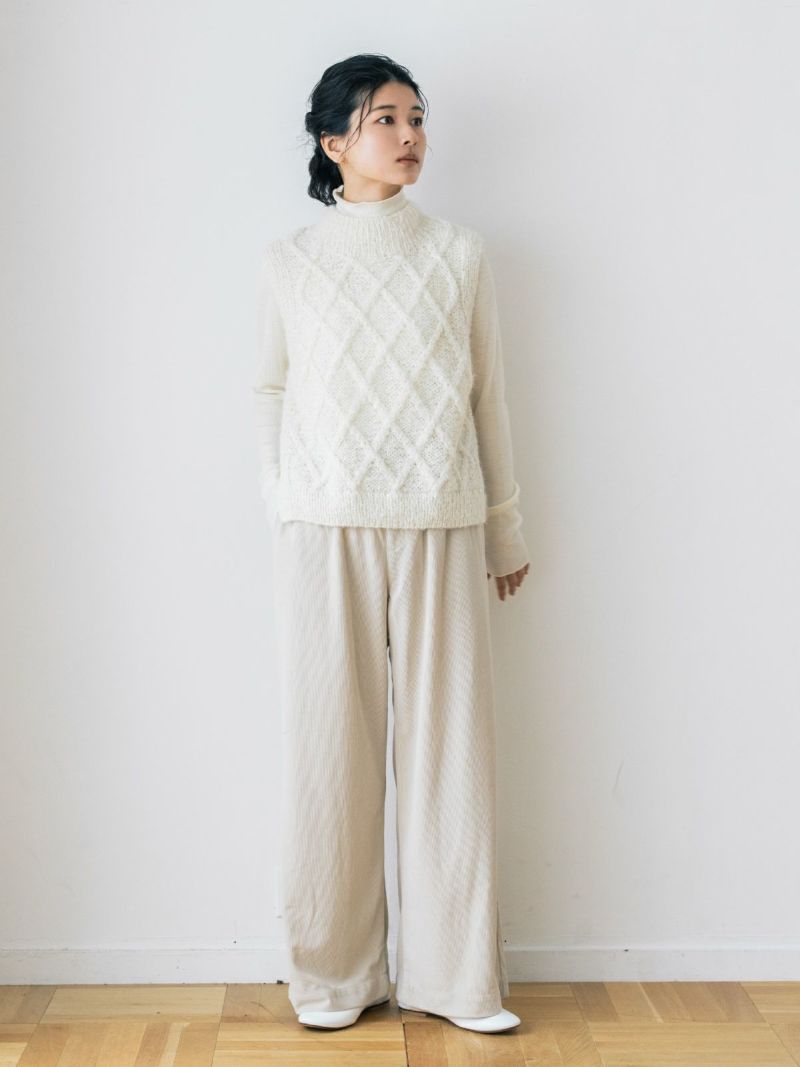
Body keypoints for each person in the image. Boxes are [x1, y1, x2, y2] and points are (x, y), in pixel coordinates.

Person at [252, 53, 530, 1034]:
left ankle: (456, 980)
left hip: (442, 520)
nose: (409, 135)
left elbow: (488, 395)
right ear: (335, 142)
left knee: (451, 755)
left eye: (416, 117)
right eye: (385, 119)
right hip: (322, 528)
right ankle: (333, 976)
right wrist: (284, 497)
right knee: (328, 752)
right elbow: (268, 387)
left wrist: (504, 525)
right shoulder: (291, 259)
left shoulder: (459, 254)